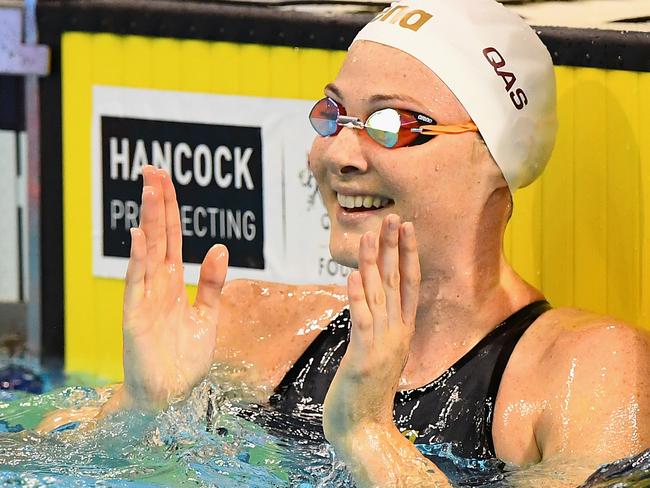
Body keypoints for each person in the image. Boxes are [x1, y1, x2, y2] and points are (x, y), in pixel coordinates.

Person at [40, 0, 650, 485]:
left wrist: (368, 437)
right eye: (332, 113)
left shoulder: (585, 374)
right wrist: (142, 414)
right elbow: (37, 461)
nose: (337, 154)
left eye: (392, 124)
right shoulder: (252, 326)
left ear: (496, 157)